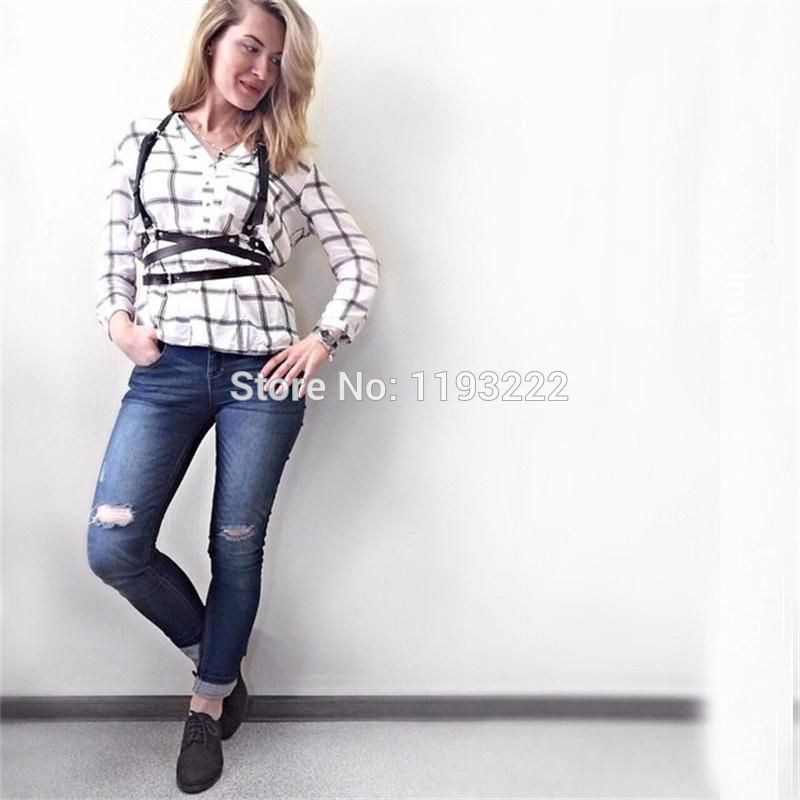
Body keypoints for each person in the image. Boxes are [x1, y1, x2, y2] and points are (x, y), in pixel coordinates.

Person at [86, 0, 379, 793]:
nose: (260, 71)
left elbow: (359, 262)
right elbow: (115, 255)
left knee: (236, 544)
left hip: (262, 373)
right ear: (213, 38)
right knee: (113, 547)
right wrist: (118, 323)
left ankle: (207, 704)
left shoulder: (287, 161)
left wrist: (324, 338)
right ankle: (215, 654)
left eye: (277, 61)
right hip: (166, 370)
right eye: (251, 47)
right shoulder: (143, 142)